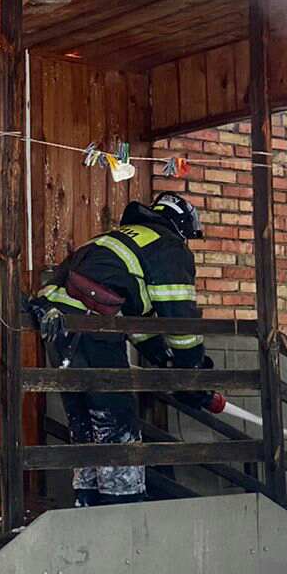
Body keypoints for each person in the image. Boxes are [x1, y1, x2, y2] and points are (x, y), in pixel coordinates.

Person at [31, 192, 220, 505]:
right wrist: (192, 371)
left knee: (85, 421)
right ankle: (122, 503)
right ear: (181, 227)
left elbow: (132, 318)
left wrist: (161, 359)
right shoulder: (168, 246)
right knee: (116, 419)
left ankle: (87, 500)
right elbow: (179, 320)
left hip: (59, 331)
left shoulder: (116, 240)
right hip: (93, 331)